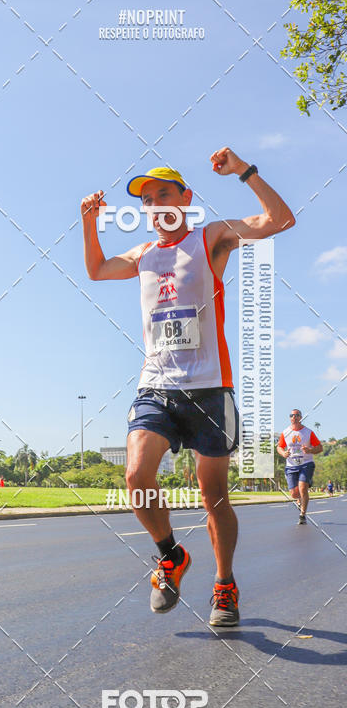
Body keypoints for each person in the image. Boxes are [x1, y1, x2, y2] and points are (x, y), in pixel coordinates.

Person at [82, 148, 295, 626]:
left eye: (164, 194)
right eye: (148, 200)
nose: (156, 204)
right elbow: (96, 270)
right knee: (136, 476)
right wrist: (89, 221)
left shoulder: (211, 238)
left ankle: (224, 585)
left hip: (208, 389)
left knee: (213, 495)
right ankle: (170, 555)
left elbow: (280, 221)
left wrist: (245, 171)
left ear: (186, 197)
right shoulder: (143, 255)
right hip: (155, 386)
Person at [277, 410, 322, 523]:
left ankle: (302, 515)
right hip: (291, 466)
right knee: (294, 494)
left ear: (301, 417)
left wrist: (310, 450)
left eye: (297, 415)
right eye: (292, 415)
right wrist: (283, 453)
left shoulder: (308, 432)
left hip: (306, 464)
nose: (294, 417)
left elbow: (320, 448)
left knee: (302, 489)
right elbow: (279, 447)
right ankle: (300, 497)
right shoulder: (285, 432)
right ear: (290, 418)